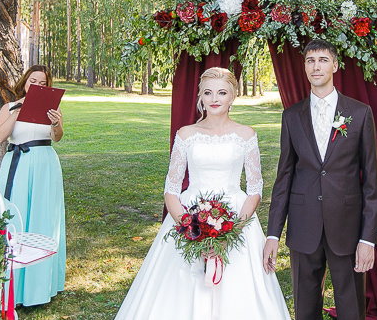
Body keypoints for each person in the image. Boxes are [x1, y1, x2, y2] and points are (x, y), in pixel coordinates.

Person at [115, 67, 291, 320]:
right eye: (208, 92)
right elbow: (171, 190)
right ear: (200, 97)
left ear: (233, 97)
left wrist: (232, 231)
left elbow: (255, 190)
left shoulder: (246, 134)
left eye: (222, 92)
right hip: (190, 214)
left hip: (236, 217)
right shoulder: (186, 135)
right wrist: (191, 228)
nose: (215, 98)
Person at [263, 39, 377, 320]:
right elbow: (284, 177)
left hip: (347, 227)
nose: (316, 66)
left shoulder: (359, 113)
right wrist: (272, 233)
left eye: (323, 60)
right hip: (304, 227)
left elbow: (372, 184)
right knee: (305, 308)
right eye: (310, 60)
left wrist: (368, 239)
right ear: (304, 67)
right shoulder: (291, 117)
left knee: (351, 307)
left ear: (335, 65)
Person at [0, 64, 66, 307]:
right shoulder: (9, 107)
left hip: (45, 165)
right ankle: (10, 286)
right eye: (33, 81)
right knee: (17, 218)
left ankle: (40, 287)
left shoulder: (52, 108)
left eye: (42, 83)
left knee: (43, 219)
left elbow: (57, 137)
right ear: (25, 83)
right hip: (19, 165)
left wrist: (56, 124)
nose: (37, 85)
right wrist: (18, 111)